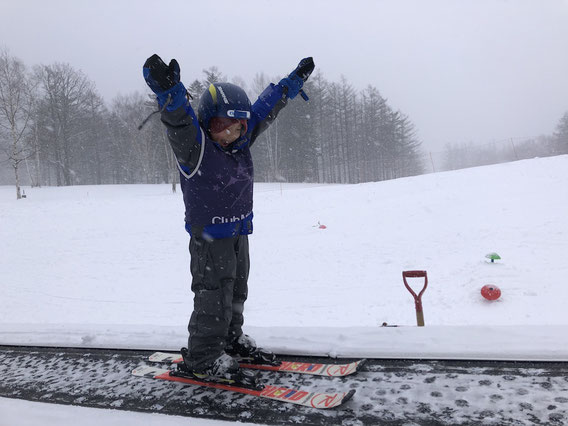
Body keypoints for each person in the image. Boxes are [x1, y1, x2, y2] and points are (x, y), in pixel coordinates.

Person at [142, 54, 315, 381]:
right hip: (208, 237)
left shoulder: (241, 142)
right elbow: (179, 122)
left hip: (238, 231)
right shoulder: (196, 148)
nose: (231, 134)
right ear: (208, 122)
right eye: (223, 126)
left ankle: (231, 340)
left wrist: (289, 86)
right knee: (213, 294)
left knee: (236, 290)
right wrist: (170, 95)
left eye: (238, 126)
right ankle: (203, 357)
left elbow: (264, 108)